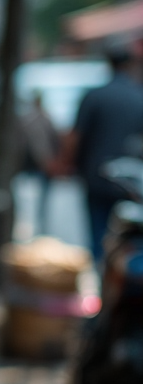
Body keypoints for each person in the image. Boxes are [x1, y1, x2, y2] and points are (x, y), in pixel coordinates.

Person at [56, 48, 143, 261]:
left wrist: (65, 163)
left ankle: (101, 272)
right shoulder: (138, 96)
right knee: (127, 235)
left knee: (98, 234)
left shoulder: (94, 96)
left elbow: (74, 137)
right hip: (130, 182)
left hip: (96, 176)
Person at [19, 92, 61, 235]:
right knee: (36, 201)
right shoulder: (39, 118)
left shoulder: (35, 117)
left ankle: (37, 230)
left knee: (36, 201)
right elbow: (40, 143)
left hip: (35, 165)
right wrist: (46, 161)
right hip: (38, 165)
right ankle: (36, 231)